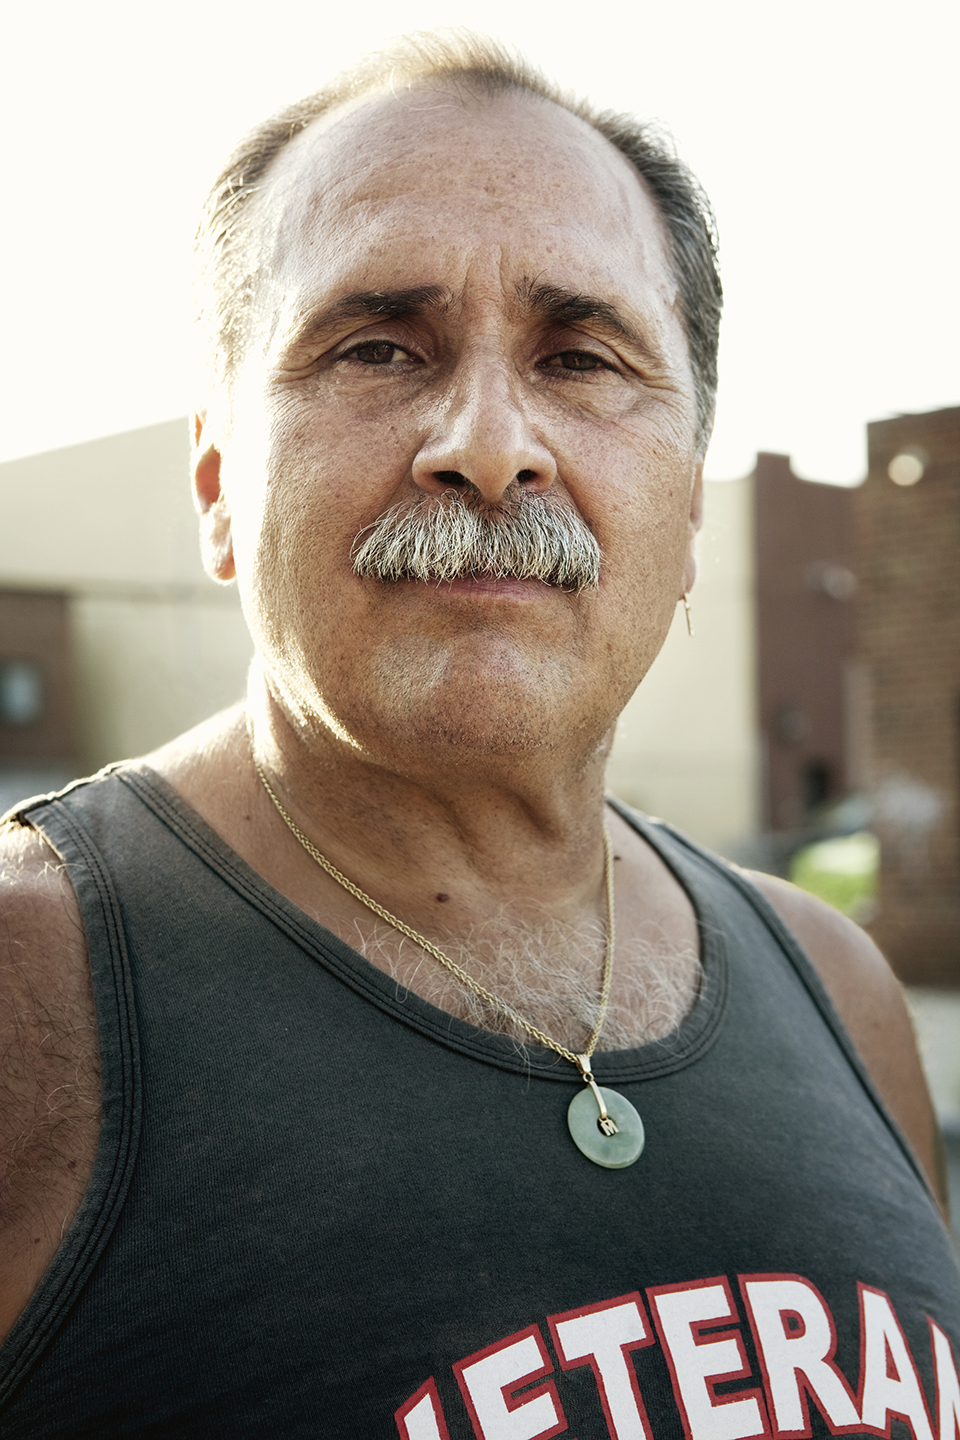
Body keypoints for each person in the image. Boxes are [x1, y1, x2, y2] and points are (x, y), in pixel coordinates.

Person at [0, 33, 957, 1440]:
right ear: (216, 482)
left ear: (690, 509)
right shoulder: (33, 991)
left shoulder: (839, 990)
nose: (492, 443)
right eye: (379, 344)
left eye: (583, 356)